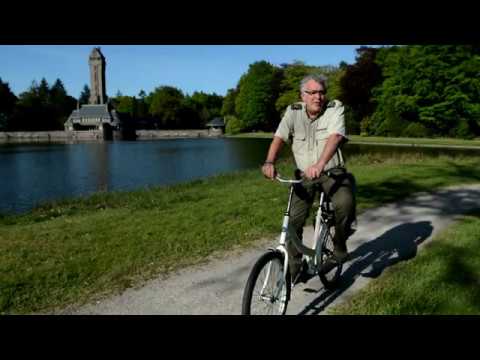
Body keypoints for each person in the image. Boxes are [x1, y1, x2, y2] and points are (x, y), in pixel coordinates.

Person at [262, 74, 356, 284]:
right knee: (292, 221)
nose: (318, 97)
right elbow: (279, 137)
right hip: (304, 175)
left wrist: (320, 164)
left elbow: (336, 136)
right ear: (302, 96)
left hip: (332, 172)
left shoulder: (334, 108)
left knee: (345, 204)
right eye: (312, 93)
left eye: (321, 92)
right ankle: (295, 270)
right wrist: (269, 162)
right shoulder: (293, 112)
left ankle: (339, 248)